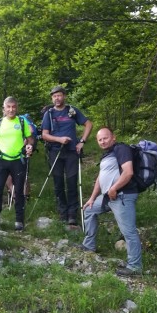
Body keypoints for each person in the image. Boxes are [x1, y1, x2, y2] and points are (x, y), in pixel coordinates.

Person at [81, 126, 142, 277]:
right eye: (99, 139)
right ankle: (89, 246)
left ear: (113, 137)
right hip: (109, 197)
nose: (102, 141)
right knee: (89, 209)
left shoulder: (121, 149)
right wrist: (92, 198)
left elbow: (128, 172)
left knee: (129, 231)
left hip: (122, 196)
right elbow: (100, 179)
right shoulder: (107, 155)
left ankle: (135, 267)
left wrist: (114, 189)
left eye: (105, 138)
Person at [41, 85, 92, 225]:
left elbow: (88, 124)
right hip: (55, 151)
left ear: (64, 96)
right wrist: (59, 139)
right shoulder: (49, 114)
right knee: (58, 183)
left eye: (59, 95)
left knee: (71, 182)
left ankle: (72, 214)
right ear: (52, 98)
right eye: (54, 96)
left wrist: (82, 141)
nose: (57, 98)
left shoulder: (72, 111)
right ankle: (62, 211)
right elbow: (44, 135)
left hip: (71, 152)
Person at [0, 97, 34, 231]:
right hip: (2, 160)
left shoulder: (22, 121)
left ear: (16, 108)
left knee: (19, 191)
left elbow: (30, 139)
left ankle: (19, 221)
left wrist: (29, 146)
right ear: (4, 108)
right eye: (8, 107)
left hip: (18, 160)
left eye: (13, 107)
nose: (11, 109)